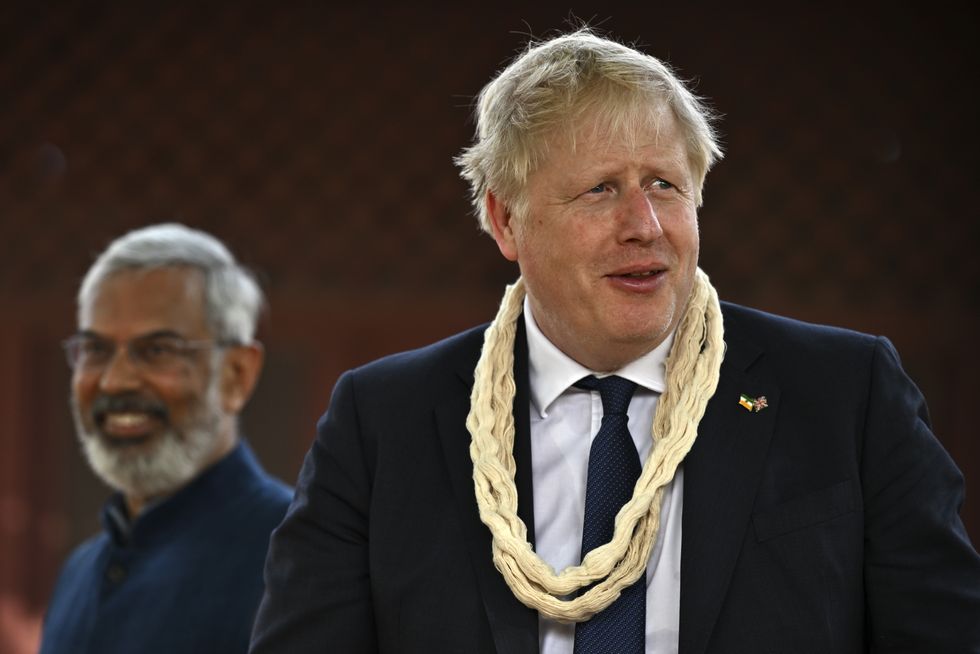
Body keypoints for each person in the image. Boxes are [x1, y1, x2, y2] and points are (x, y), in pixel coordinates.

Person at [250, 29, 980, 654]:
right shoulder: (385, 421)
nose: (645, 226)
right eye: (601, 190)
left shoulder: (845, 395)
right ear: (506, 222)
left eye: (664, 184)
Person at [40, 223, 293, 654]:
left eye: (158, 350)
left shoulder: (301, 558)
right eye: (96, 350)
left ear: (237, 375)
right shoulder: (80, 572)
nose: (115, 381)